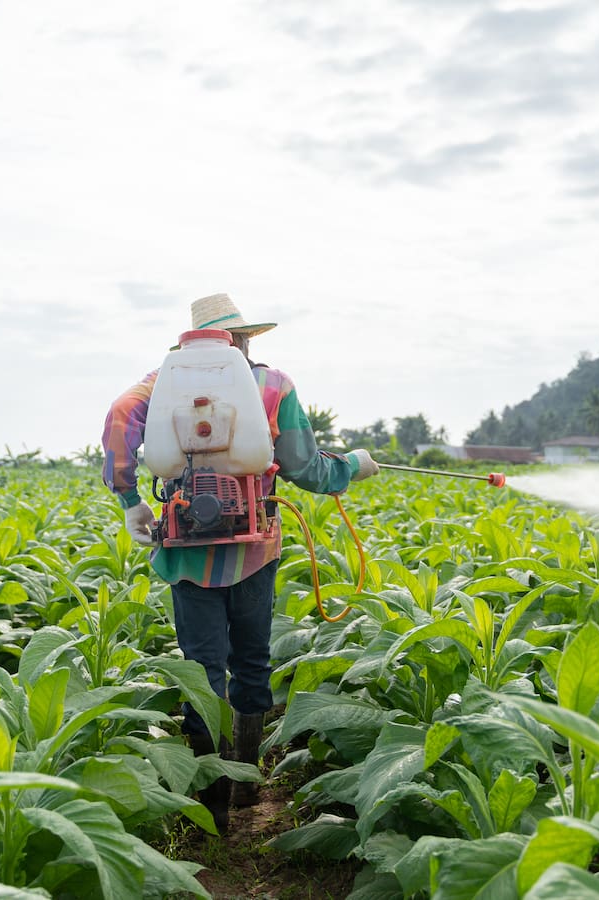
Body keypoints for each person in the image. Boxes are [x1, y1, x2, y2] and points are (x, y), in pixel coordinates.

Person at [101, 293, 379, 833]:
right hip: (254, 548)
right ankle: (249, 787)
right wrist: (352, 467)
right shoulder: (273, 385)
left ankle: (214, 808)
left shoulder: (160, 383)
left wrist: (129, 498)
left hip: (186, 550)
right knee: (251, 662)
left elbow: (117, 417)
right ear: (244, 337)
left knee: (202, 674)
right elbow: (304, 467)